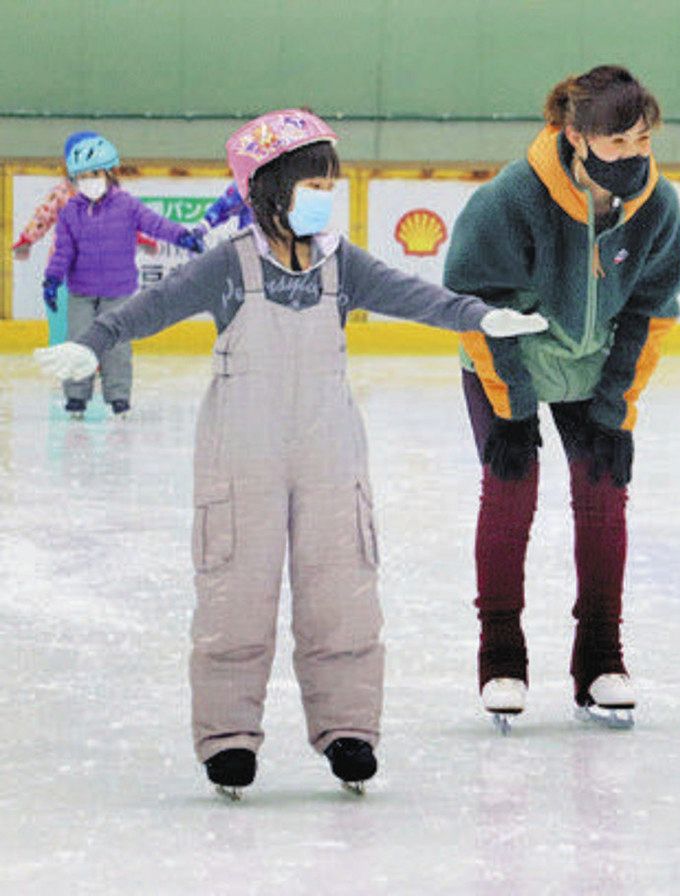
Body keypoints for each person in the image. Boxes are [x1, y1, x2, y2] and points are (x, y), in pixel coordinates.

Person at [33, 109, 548, 796]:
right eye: (311, 184)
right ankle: (228, 739)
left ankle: (348, 730)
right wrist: (89, 345)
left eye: (328, 183)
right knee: (235, 587)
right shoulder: (230, 265)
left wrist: (481, 316)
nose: (323, 196)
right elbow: (144, 311)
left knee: (342, 583)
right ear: (267, 190)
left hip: (328, 445)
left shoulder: (342, 264)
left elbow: (414, 296)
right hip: (241, 450)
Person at [442, 64, 680, 728]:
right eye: (617, 145)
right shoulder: (510, 199)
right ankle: (501, 658)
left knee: (604, 492)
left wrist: (616, 404)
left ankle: (602, 659)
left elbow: (652, 312)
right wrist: (514, 411)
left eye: (642, 143)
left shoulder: (656, 207)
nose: (633, 158)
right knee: (510, 488)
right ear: (574, 135)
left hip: (596, 365)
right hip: (507, 356)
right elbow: (473, 304)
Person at [40, 133, 204, 417]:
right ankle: (76, 397)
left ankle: (118, 397)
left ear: (108, 172)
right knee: (79, 341)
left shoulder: (127, 205)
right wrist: (53, 280)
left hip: (118, 291)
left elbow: (156, 224)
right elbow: (63, 252)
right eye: (81, 176)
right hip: (81, 291)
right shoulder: (70, 212)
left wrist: (182, 237)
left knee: (116, 346)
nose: (88, 181)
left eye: (93, 174)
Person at [12, 132, 159, 346]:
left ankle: (92, 358)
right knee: (63, 322)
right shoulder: (64, 191)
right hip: (66, 273)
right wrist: (26, 239)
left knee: (98, 322)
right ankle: (64, 358)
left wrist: (141, 239)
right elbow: (44, 215)